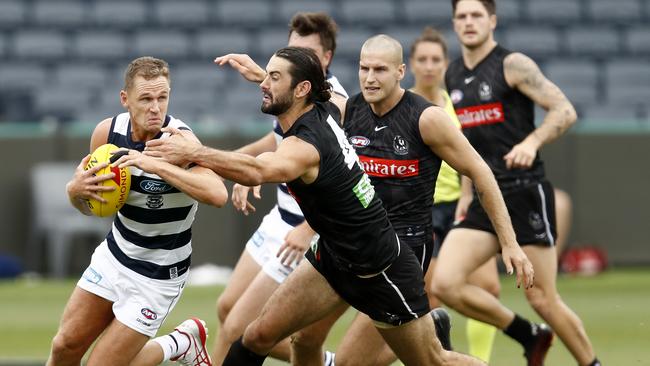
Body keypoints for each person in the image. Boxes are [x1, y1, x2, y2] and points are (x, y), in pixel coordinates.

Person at [143, 46, 520, 365]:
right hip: (334, 256)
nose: (265, 84)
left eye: (275, 78)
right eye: (364, 68)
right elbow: (314, 91)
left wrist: (194, 152)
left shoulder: (305, 146)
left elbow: (258, 170)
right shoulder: (331, 107)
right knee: (259, 335)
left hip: (381, 269)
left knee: (432, 360)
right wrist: (264, 75)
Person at [432, 1, 601, 366]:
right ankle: (527, 334)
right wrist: (464, 192)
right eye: (462, 16)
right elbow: (467, 144)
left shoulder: (513, 65)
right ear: (454, 24)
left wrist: (531, 143)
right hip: (483, 198)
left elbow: (565, 110)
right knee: (444, 283)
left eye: (477, 15)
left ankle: (592, 363)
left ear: (492, 21)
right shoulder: (453, 74)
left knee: (542, 298)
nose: (469, 22)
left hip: (523, 191)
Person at [47, 56, 227, 366]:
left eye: (163, 97)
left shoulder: (179, 142)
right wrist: (74, 193)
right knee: (64, 347)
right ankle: (183, 342)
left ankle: (176, 344)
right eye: (146, 98)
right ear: (125, 99)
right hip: (114, 257)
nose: (156, 107)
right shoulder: (107, 134)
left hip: (157, 275)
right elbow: (94, 206)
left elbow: (218, 194)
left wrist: (153, 163)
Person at [211, 12, 346, 365]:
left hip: (305, 228)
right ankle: (326, 361)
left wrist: (309, 227)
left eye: (308, 53)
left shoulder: (335, 103)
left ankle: (328, 362)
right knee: (227, 309)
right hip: (279, 217)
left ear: (327, 58)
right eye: (292, 49)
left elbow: (352, 174)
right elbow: (274, 142)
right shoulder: (289, 92)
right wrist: (239, 167)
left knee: (241, 330)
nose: (297, 58)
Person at [409, 26, 499, 363]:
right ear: (411, 65)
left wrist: (466, 196)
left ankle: (481, 359)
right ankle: (442, 359)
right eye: (423, 59)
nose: (430, 65)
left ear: (446, 64)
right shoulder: (405, 105)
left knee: (487, 287)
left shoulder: (459, 105)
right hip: (424, 209)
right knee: (432, 297)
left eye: (436, 59)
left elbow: (472, 156)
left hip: (461, 207)